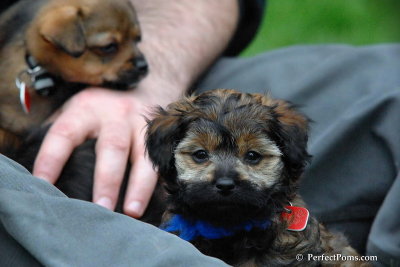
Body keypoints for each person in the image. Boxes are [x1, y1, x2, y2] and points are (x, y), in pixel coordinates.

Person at [1, 1, 399, 266]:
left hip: (173, 80)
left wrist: (152, 70)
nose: (225, 177)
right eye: (201, 157)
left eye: (253, 157)